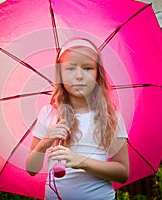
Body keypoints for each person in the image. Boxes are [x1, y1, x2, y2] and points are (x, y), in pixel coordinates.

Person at [26, 38, 129, 200]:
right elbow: (31, 168)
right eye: (70, 68)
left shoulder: (111, 117)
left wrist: (80, 161)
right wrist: (45, 142)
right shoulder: (49, 114)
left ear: (97, 74)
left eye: (87, 68)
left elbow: (122, 173)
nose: (79, 76)